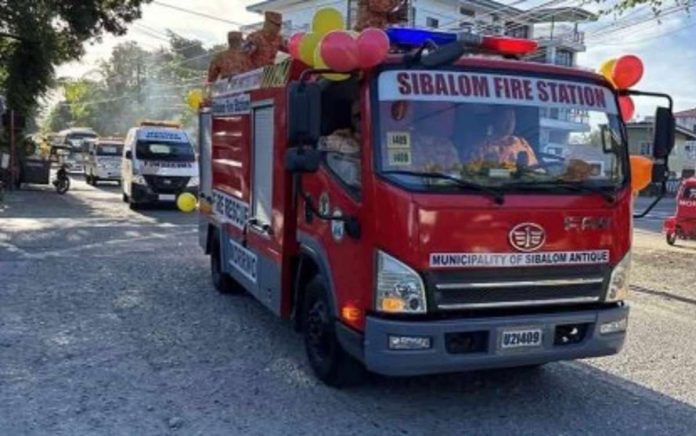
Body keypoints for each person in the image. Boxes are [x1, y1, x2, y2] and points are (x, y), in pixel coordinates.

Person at [467, 106, 539, 169]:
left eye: (512, 117)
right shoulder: (482, 147)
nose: (510, 122)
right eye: (505, 117)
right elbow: (474, 172)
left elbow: (534, 169)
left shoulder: (522, 143)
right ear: (496, 119)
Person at [318, 101, 362, 188]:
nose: (362, 120)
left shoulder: (385, 144)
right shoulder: (336, 147)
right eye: (358, 116)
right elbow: (354, 177)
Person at [409, 102, 461, 172]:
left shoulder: (446, 145)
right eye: (439, 113)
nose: (446, 119)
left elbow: (455, 173)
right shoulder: (407, 143)